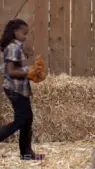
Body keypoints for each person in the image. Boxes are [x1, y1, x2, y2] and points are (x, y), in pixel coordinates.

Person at [0, 19, 45, 160]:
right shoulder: (13, 47)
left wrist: (29, 66)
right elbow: (10, 71)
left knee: (27, 119)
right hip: (15, 89)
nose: (26, 36)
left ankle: (26, 154)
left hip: (20, 88)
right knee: (21, 120)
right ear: (15, 31)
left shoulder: (16, 47)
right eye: (24, 33)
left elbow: (16, 66)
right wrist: (28, 71)